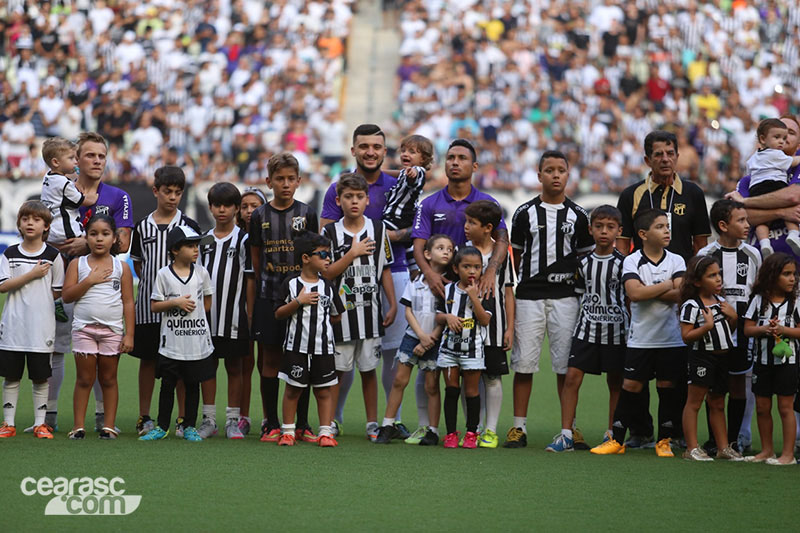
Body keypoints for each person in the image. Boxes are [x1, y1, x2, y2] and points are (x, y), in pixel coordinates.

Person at [616, 130, 710, 448]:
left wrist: (689, 289)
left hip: (681, 295)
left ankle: (673, 434)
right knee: (638, 370)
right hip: (640, 291)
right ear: (647, 159)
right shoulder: (632, 194)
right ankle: (640, 431)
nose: (665, 158)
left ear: (678, 156)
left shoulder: (693, 193)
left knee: (675, 370)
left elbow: (700, 247)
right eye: (658, 154)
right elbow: (622, 247)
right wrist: (640, 288)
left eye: (670, 152)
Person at [320, 124, 412, 440]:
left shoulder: (399, 184)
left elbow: (415, 227)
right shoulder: (337, 187)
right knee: (343, 362)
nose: (370, 152)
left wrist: (389, 236)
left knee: (391, 355)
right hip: (345, 289)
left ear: (384, 151)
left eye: (376, 146)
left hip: (394, 272)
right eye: (364, 146)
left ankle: (389, 420)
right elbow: (326, 234)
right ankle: (334, 418)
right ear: (354, 150)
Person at [504, 150, 593, 449]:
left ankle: (570, 428)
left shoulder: (579, 216)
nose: (556, 175)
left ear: (569, 175)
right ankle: (519, 427)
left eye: (561, 170)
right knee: (524, 364)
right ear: (539, 174)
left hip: (567, 298)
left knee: (566, 367)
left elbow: (585, 258)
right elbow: (515, 253)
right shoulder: (524, 213)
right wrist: (526, 281)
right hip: (529, 297)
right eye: (549, 170)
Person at [47, 132, 133, 433]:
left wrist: (84, 243)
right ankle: (50, 414)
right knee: (57, 348)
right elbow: (42, 237)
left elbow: (122, 241)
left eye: (101, 156)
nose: (97, 161)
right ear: (76, 159)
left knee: (100, 355)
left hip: (100, 289)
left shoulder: (118, 197)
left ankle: (100, 417)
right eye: (90, 155)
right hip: (60, 284)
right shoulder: (57, 190)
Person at [591, 209, 685, 457]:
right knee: (631, 385)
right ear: (643, 234)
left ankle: (664, 440)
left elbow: (680, 293)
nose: (667, 231)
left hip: (671, 339)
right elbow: (634, 294)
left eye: (667, 226)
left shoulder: (677, 260)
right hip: (641, 339)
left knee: (667, 388)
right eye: (660, 227)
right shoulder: (631, 260)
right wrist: (666, 285)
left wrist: (649, 289)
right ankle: (617, 440)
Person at [248, 153, 319, 443]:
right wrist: (251, 306)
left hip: (302, 298)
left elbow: (315, 256)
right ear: (269, 182)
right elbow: (255, 260)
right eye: (280, 179)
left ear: (299, 181)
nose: (286, 184)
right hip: (269, 298)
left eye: (291, 179)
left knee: (300, 360)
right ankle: (271, 423)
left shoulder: (307, 213)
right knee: (270, 360)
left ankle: (301, 424)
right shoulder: (259, 216)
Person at [547, 205, 628, 453]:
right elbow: (579, 295)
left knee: (616, 383)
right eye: (599, 226)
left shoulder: (625, 264)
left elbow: (630, 298)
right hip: (587, 330)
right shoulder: (582, 263)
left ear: (619, 231)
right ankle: (566, 435)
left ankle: (611, 434)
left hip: (617, 332)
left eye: (610, 227)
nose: (604, 232)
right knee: (572, 378)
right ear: (590, 229)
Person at [322, 173, 396, 440]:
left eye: (359, 197)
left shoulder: (378, 229)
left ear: (368, 199)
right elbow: (327, 273)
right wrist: (352, 253)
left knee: (368, 372)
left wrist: (392, 304)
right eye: (348, 197)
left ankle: (372, 424)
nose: (354, 201)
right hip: (340, 316)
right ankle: (328, 422)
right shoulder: (329, 232)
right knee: (338, 373)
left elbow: (385, 269)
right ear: (339, 200)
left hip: (370, 315)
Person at [130, 166, 201, 436]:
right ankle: (145, 416)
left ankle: (183, 419)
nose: (172, 197)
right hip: (150, 308)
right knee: (147, 361)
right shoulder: (142, 226)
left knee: (181, 365)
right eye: (167, 192)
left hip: (180, 311)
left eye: (177, 193)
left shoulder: (189, 226)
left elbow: (197, 268)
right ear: (155, 191)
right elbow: (139, 266)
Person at [374, 234, 454, 446]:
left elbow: (444, 315)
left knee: (431, 386)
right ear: (427, 254)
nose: (446, 252)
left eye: (450, 249)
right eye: (440, 248)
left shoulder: (449, 285)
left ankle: (433, 430)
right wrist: (420, 336)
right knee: (399, 381)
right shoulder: (415, 280)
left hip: (434, 342)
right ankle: (388, 424)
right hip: (412, 337)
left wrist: (430, 339)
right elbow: (408, 311)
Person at [62, 214, 134, 440]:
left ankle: (109, 426)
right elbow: (67, 296)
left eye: (105, 234)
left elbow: (128, 302)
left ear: (115, 238)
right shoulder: (77, 264)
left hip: (112, 332)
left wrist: (129, 334)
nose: (99, 239)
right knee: (84, 379)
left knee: (109, 379)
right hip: (84, 329)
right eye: (93, 234)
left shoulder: (121, 267)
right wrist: (89, 281)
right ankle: (78, 426)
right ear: (86, 237)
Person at [140, 226, 215, 442]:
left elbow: (207, 302)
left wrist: (195, 313)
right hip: (171, 342)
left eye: (197, 246)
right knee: (167, 384)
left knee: (193, 384)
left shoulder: (201, 273)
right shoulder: (164, 274)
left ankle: (189, 425)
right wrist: (176, 303)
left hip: (196, 342)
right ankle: (162, 426)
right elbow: (154, 306)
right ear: (175, 250)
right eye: (190, 246)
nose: (195, 250)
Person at [697, 199, 760, 455]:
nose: (747, 225)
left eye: (747, 219)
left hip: (742, 332)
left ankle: (734, 442)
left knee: (737, 385)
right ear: (723, 225)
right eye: (741, 220)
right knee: (713, 388)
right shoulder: (705, 256)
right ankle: (715, 441)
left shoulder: (753, 254)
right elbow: (696, 291)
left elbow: (757, 293)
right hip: (713, 331)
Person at [0, 201, 64, 439]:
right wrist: (33, 275)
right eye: (26, 219)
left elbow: (57, 291)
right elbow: (3, 286)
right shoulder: (10, 253)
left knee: (40, 378)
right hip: (14, 327)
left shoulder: (53, 256)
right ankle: (8, 423)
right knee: (11, 377)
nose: (30, 223)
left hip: (41, 328)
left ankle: (40, 424)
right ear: (19, 223)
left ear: (46, 226)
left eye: (36, 220)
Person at [274, 231, 343, 448]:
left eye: (329, 255)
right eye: (322, 255)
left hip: (323, 349)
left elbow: (337, 314)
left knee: (323, 390)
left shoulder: (329, 287)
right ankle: (288, 431)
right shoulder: (291, 284)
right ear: (305, 258)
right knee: (293, 389)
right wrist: (298, 302)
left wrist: (321, 331)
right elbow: (278, 313)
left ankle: (325, 432)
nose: (328, 259)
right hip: (297, 348)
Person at [197, 183, 252, 440]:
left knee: (234, 367)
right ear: (209, 207)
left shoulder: (244, 240)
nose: (222, 210)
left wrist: (249, 314)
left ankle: (233, 420)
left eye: (227, 205)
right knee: (207, 367)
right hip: (206, 317)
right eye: (217, 205)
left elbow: (250, 279)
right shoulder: (203, 240)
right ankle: (208, 419)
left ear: (236, 209)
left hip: (235, 317)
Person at [678, 256, 743, 461]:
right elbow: (686, 336)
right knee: (694, 402)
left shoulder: (721, 302)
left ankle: (723, 447)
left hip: (723, 358)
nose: (718, 279)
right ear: (697, 282)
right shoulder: (692, 305)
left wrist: (733, 317)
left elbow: (727, 330)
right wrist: (705, 327)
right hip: (702, 358)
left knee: (717, 402)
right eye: (712, 275)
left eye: (719, 274)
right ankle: (692, 448)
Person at [463, 200, 514, 449]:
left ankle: (491, 430)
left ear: (487, 228)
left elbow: (508, 292)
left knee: (492, 377)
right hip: (465, 326)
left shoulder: (501, 254)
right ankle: (471, 428)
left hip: (495, 325)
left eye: (471, 223)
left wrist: (510, 327)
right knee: (469, 378)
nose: (465, 226)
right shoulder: (461, 250)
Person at [743, 253, 800, 465]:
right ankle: (767, 451)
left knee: (785, 408)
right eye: (786, 274)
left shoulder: (795, 303)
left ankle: (788, 455)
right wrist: (764, 329)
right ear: (772, 275)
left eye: (794, 274)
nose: (792, 278)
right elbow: (747, 329)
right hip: (762, 361)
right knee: (762, 406)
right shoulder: (758, 301)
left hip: (788, 363)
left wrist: (784, 329)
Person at [436, 246, 493, 449]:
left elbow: (485, 320)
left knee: (471, 392)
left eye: (476, 267)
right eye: (466, 266)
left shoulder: (485, 289)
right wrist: (447, 317)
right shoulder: (448, 289)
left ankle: (471, 432)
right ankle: (451, 433)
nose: (471, 271)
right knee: (451, 390)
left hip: (473, 351)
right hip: (449, 350)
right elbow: (438, 315)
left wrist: (474, 298)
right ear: (455, 268)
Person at [745, 118, 800, 258]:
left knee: (761, 222)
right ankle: (794, 234)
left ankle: (764, 243)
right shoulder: (777, 155)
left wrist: (747, 202)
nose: (782, 141)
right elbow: (744, 216)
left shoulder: (753, 157)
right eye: (777, 137)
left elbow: (794, 194)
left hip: (756, 188)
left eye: (788, 135)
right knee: (790, 208)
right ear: (763, 138)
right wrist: (782, 212)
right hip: (775, 184)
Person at [236, 187, 266, 435]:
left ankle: (269, 418)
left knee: (267, 364)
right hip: (242, 310)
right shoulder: (237, 238)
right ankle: (242, 417)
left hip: (266, 307)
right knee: (245, 364)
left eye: (254, 206)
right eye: (244, 206)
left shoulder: (269, 236)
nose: (248, 212)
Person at [382, 134, 433, 270]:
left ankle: (384, 262)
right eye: (403, 151)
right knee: (410, 253)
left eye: (412, 152)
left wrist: (412, 175)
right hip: (403, 219)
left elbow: (414, 177)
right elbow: (398, 173)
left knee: (376, 231)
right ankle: (414, 270)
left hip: (398, 218)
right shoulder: (405, 172)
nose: (405, 154)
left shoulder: (418, 171)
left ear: (423, 159)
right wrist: (378, 172)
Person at [39, 137, 96, 245]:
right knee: (90, 241)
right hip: (64, 231)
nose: (75, 162)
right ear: (56, 162)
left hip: (50, 230)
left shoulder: (48, 176)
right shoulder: (65, 183)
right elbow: (83, 200)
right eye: (71, 158)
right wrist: (94, 196)